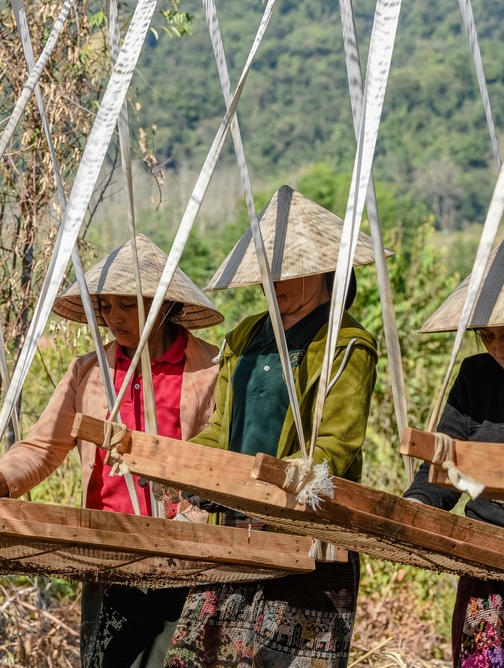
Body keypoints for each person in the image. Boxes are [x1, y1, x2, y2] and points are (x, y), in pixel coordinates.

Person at [0, 234, 223, 668]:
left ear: (163, 303)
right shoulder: (88, 370)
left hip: (183, 553)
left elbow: (220, 461)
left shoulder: (208, 370)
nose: (114, 318)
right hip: (104, 546)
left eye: (127, 305)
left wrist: (196, 517)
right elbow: (42, 447)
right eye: (106, 307)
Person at [164, 185, 384, 667]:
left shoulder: (346, 344)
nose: (274, 284)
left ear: (324, 271)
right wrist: (180, 465)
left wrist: (275, 485)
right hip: (233, 535)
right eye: (268, 274)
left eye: (287, 274)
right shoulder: (245, 335)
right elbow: (220, 429)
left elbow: (336, 446)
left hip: (304, 539)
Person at [404, 232, 504, 667]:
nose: (499, 350)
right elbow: (446, 460)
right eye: (488, 337)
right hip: (488, 563)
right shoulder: (477, 375)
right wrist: (417, 506)